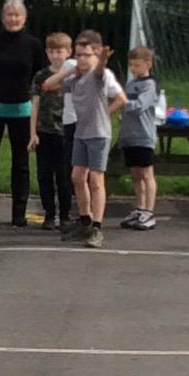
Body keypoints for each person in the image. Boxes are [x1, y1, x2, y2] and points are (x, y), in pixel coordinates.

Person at [42, 29, 125, 245]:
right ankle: (85, 220)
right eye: (78, 55)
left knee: (96, 180)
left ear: (95, 55)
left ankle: (97, 227)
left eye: (86, 55)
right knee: (77, 177)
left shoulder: (98, 76)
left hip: (99, 134)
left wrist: (102, 58)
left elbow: (101, 70)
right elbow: (48, 85)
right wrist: (70, 71)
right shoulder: (75, 79)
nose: (81, 59)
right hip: (81, 133)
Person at [0, 0, 47, 229]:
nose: (13, 19)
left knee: (21, 163)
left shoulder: (33, 44)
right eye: (9, 14)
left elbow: (40, 76)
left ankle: (19, 214)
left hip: (22, 109)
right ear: (2, 17)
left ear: (24, 18)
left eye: (17, 15)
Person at [32, 30, 76, 232]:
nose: (56, 55)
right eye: (51, 51)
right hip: (44, 130)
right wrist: (32, 132)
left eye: (60, 51)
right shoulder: (41, 75)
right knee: (44, 174)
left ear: (68, 52)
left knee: (64, 174)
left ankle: (65, 214)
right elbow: (35, 104)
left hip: (65, 131)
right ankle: (49, 213)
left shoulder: (73, 75)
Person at [117, 44, 161, 231]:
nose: (134, 69)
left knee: (146, 173)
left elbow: (139, 105)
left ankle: (149, 212)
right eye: (132, 65)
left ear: (148, 64)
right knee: (135, 174)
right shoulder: (130, 84)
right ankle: (140, 207)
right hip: (129, 136)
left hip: (143, 136)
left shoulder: (150, 85)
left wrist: (121, 103)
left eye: (137, 65)